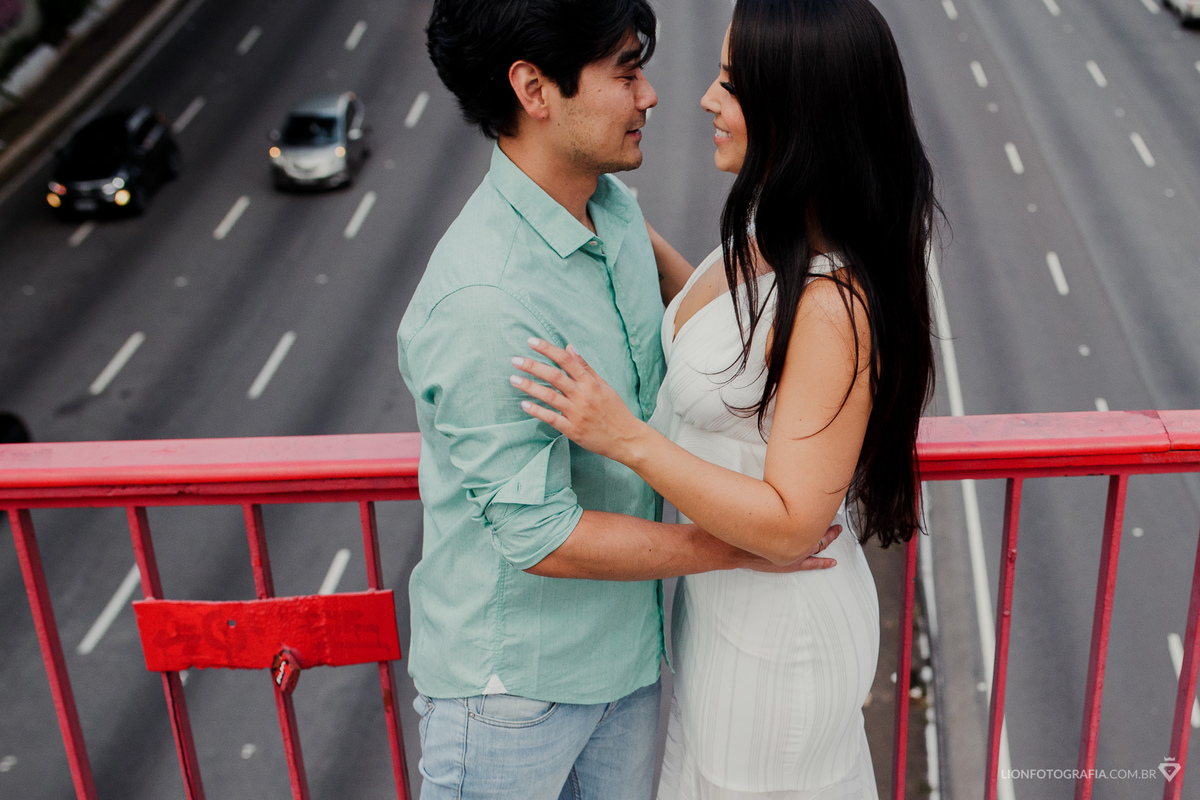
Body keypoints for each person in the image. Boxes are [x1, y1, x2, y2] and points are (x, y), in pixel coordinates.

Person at [398, 2, 841, 798]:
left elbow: (710, 306)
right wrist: (741, 546)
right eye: (626, 72)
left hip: (628, 666)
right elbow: (542, 537)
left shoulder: (611, 213)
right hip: (515, 697)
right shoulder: (486, 299)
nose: (653, 96)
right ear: (534, 89)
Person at [511, 0, 939, 797]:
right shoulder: (772, 235)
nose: (706, 97)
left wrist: (623, 437)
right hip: (726, 611)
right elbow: (721, 331)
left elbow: (792, 523)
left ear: (798, 109)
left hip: (778, 634)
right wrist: (611, 218)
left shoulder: (833, 304)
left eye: (733, 83)